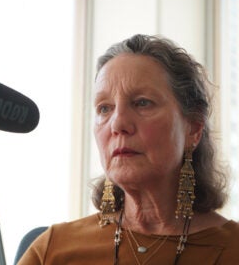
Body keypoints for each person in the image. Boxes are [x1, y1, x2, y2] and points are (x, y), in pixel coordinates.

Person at [17, 34, 239, 264]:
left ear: (193, 128)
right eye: (104, 109)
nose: (118, 124)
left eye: (142, 102)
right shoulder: (51, 250)